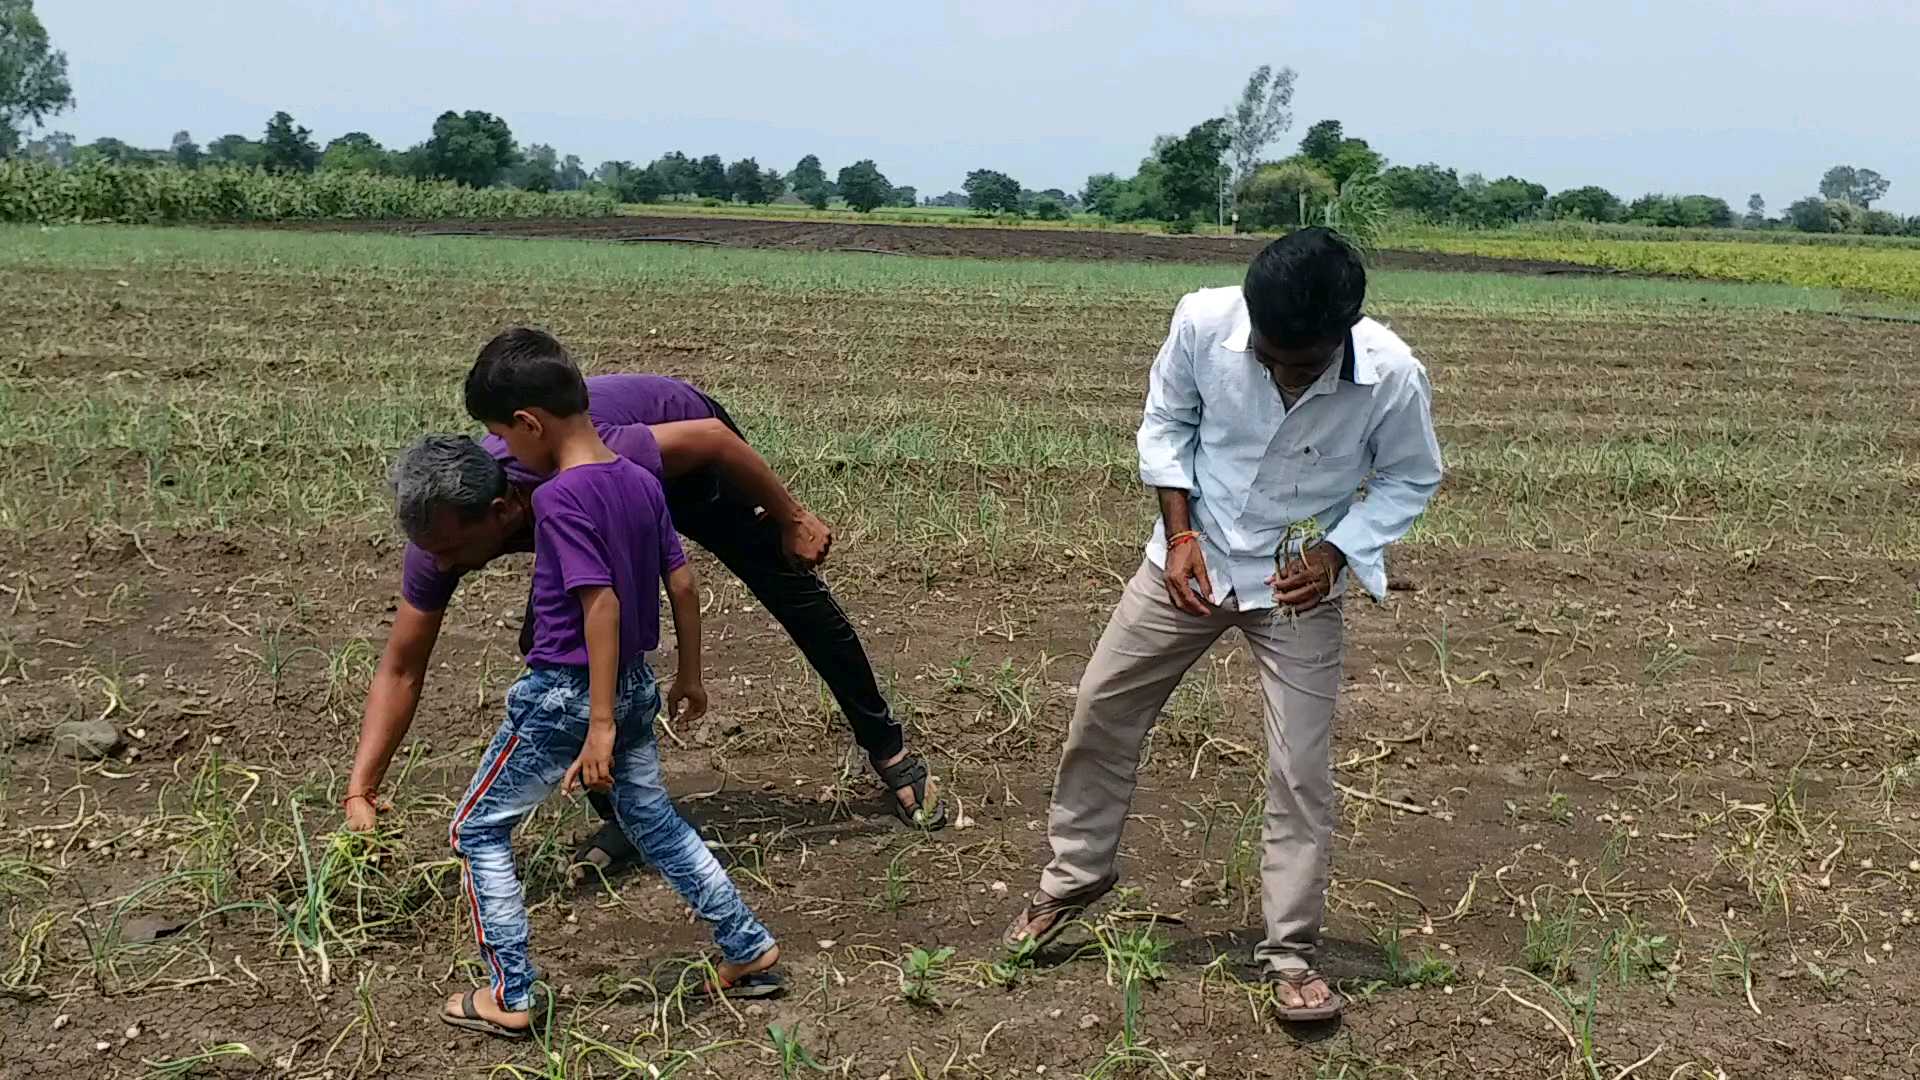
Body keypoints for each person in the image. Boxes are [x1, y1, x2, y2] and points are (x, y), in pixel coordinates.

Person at [1001, 228, 1442, 1022]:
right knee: (1103, 705)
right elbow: (1166, 425)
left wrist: (1338, 555)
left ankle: (1290, 950)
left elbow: (1412, 474)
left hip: (1296, 586)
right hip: (1189, 565)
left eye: (1299, 366)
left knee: (1298, 770)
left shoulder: (1392, 377)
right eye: (1268, 356)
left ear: (1341, 335)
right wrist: (1179, 537)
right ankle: (1075, 877)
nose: (1278, 372)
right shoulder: (1204, 323)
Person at [344, 366, 943, 871]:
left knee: (789, 592)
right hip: (589, 500)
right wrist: (362, 787)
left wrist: (791, 517)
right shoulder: (439, 534)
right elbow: (401, 668)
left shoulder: (587, 460)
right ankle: (629, 815)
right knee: (552, 653)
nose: (441, 564)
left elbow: (712, 439)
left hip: (690, 465)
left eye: (450, 550)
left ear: (502, 513)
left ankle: (888, 751)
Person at [437, 329, 781, 1039]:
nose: (505, 455)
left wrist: (595, 724)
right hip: (635, 682)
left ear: (529, 424)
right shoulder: (638, 477)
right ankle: (749, 948)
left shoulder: (558, 499)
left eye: (501, 437)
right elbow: (682, 584)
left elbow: (602, 605)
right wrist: (688, 675)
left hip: (568, 692)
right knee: (656, 822)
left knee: (478, 828)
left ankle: (512, 992)